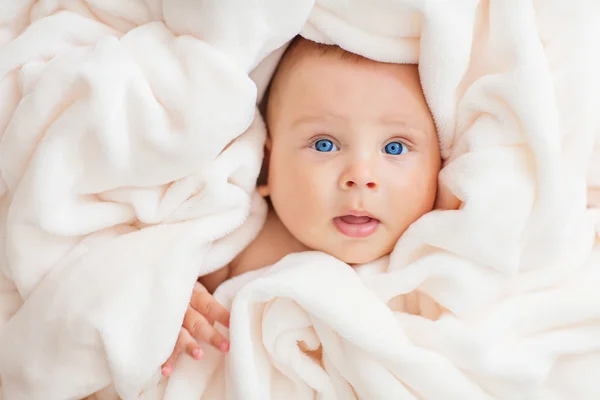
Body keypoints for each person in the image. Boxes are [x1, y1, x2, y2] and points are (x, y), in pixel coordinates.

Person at [161, 36, 441, 376]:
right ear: (266, 165)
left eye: (394, 148)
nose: (360, 176)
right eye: (325, 145)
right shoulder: (233, 243)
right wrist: (173, 302)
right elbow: (155, 276)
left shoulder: (432, 265)